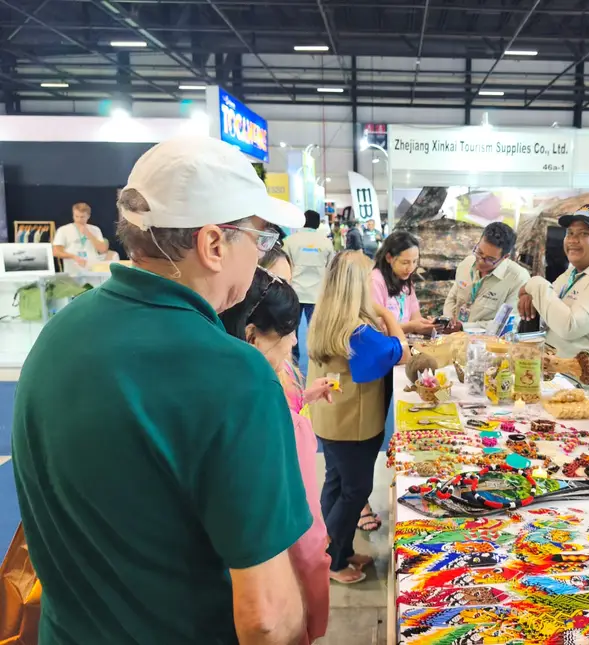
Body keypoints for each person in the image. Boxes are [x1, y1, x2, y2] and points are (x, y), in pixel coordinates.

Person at [12, 136, 311, 644]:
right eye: (258, 241)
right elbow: (266, 616)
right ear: (214, 244)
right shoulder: (233, 373)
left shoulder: (60, 334)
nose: (260, 260)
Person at [220, 267, 334, 645]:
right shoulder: (266, 414)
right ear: (251, 335)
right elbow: (302, 536)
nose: (291, 348)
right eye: (286, 337)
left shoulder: (245, 384)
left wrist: (305, 398)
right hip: (284, 567)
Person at [307, 250, 408, 584]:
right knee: (355, 490)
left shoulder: (326, 317)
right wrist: (385, 312)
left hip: (330, 419)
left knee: (336, 485)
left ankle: (341, 550)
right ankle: (332, 562)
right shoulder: (357, 332)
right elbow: (401, 351)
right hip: (354, 426)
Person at [517, 205, 589, 414]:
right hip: (562, 388)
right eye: (570, 233)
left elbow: (570, 326)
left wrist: (535, 284)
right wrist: (530, 297)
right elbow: (548, 312)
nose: (573, 240)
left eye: (585, 234)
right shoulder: (571, 275)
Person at [443, 222, 530, 331]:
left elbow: (508, 324)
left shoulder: (518, 278)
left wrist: (463, 328)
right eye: (479, 252)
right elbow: (452, 298)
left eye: (489, 259)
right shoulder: (466, 264)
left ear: (505, 257)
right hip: (454, 337)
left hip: (488, 344)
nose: (480, 261)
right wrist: (448, 320)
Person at [284, 209, 334, 361]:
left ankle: (293, 359)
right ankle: (316, 358)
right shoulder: (326, 243)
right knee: (317, 329)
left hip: (294, 291)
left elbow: (284, 264)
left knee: (291, 329)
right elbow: (331, 267)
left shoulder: (290, 241)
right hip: (317, 293)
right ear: (318, 223)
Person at [371, 231, 436, 336]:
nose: (410, 268)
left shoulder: (406, 281)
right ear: (389, 258)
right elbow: (376, 330)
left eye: (415, 262)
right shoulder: (375, 281)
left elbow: (416, 318)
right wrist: (411, 326)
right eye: (405, 262)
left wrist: (429, 325)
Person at [52, 202, 109, 273]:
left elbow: (102, 250)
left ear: (88, 216)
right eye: (76, 216)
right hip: (72, 270)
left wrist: (89, 234)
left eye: (82, 217)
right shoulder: (63, 230)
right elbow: (56, 252)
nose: (79, 219)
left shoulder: (95, 229)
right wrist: (73, 256)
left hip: (92, 270)